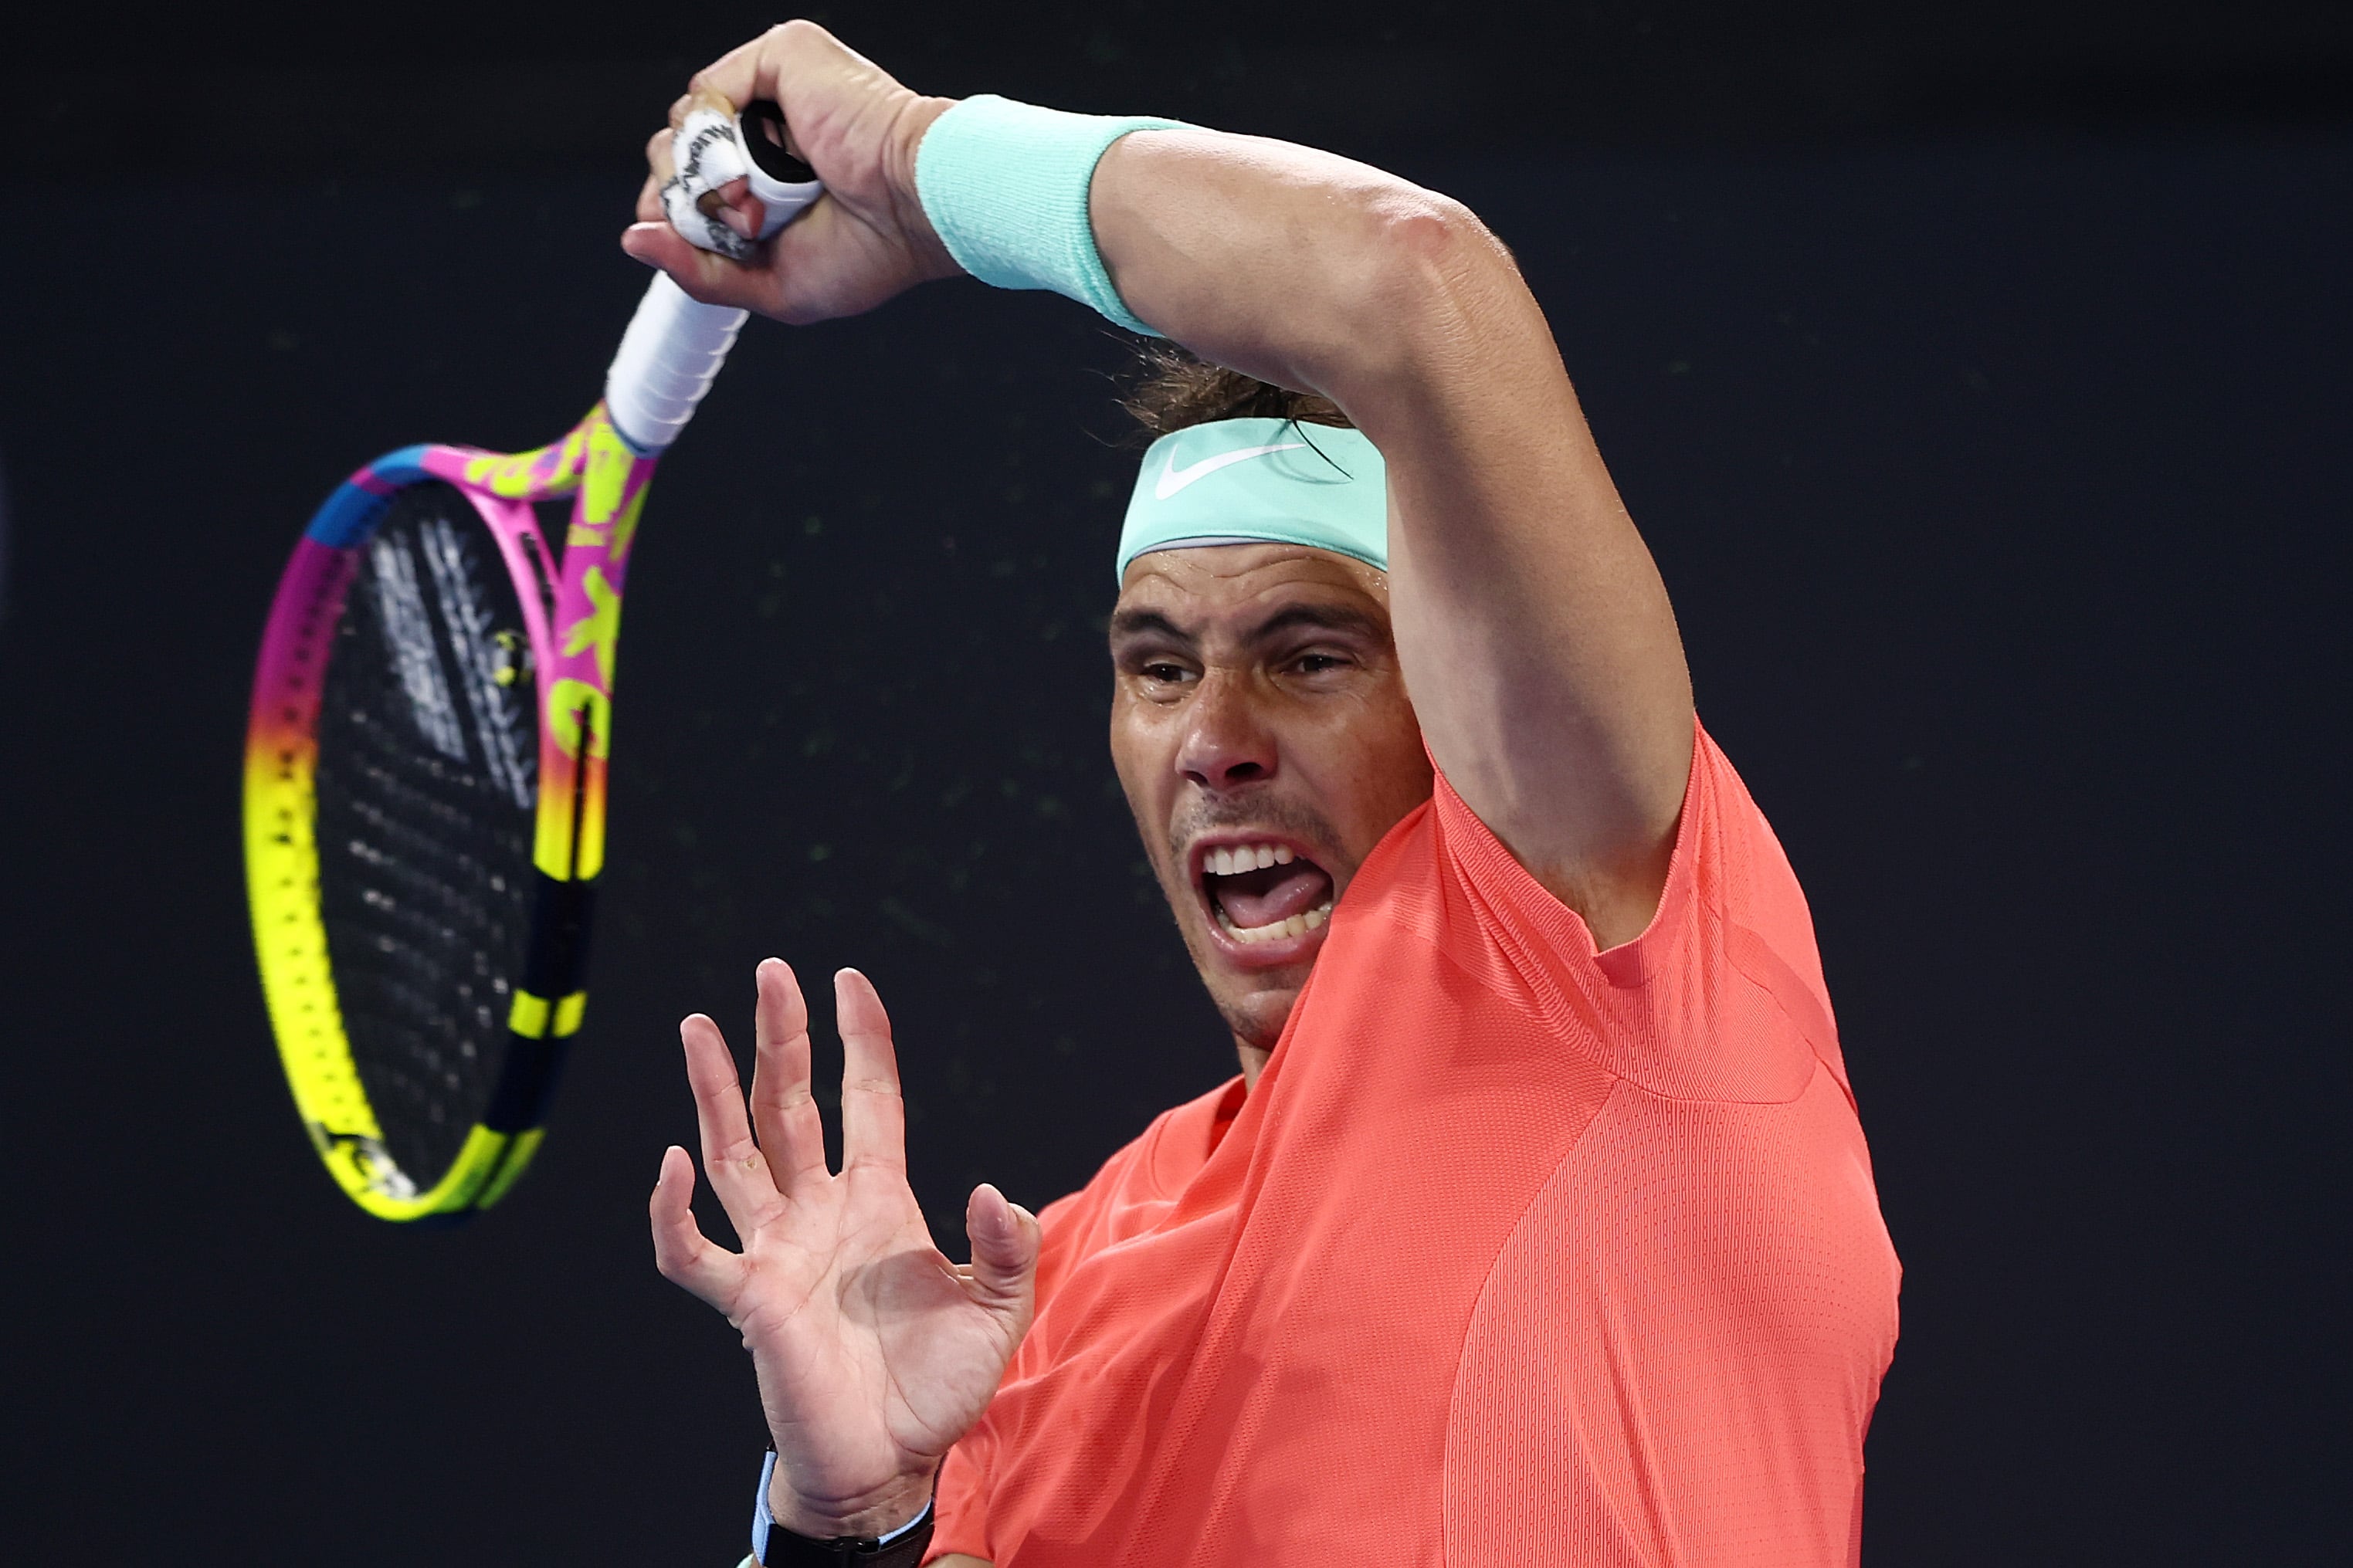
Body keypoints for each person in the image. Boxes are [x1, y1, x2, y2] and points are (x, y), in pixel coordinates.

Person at [628, 22, 1900, 1567]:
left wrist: (913, 162)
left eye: (1309, 656)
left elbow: (1406, 279)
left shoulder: (1618, 960)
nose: (1212, 736)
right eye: (1157, 666)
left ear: (1457, 698)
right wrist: (859, 1519)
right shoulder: (1043, 1293)